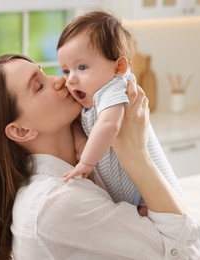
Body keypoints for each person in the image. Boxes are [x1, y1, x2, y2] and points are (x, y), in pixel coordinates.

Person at [0, 54, 200, 259]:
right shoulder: (57, 203)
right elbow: (189, 255)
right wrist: (137, 156)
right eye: (39, 86)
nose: (59, 80)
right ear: (21, 130)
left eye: (45, 72)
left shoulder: (84, 164)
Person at [57, 11, 184, 208]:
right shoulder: (91, 97)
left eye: (82, 67)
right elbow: (77, 124)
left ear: (118, 67)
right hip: (133, 194)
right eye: (66, 70)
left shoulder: (114, 88)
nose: (71, 79)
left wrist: (86, 164)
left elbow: (109, 125)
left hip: (148, 192)